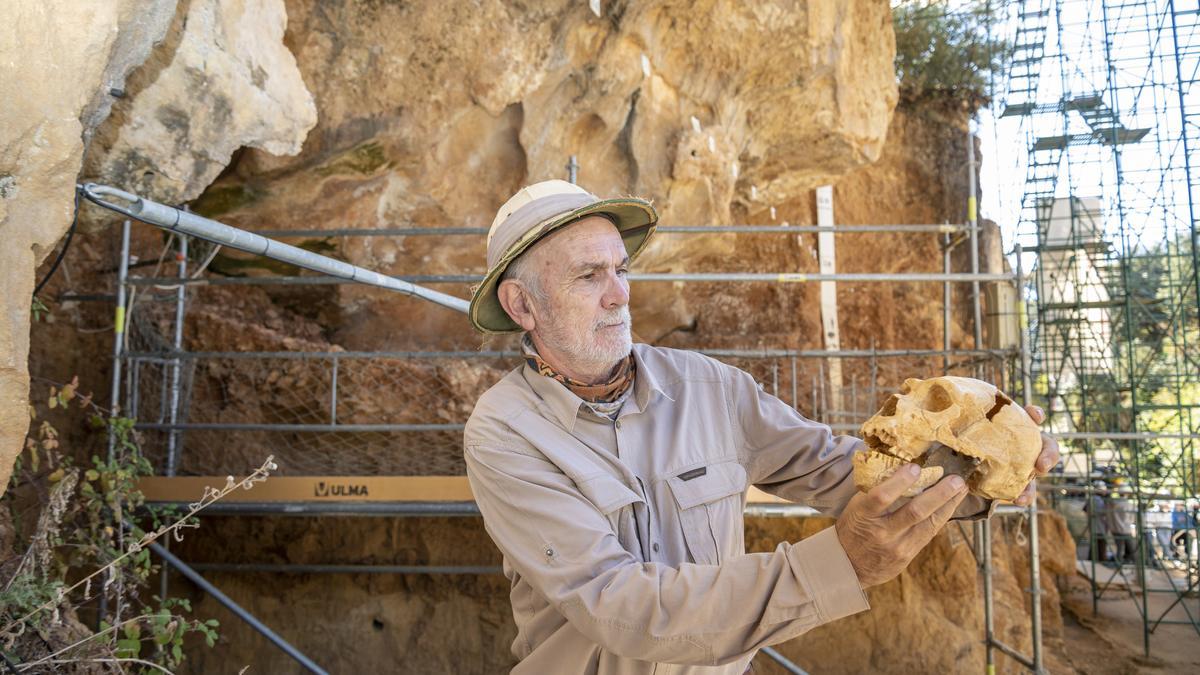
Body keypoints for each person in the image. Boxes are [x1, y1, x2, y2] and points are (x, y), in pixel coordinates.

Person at [463, 180, 1060, 673]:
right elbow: (621, 607)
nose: (620, 294)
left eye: (620, 269)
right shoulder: (504, 433)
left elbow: (837, 468)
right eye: (587, 276)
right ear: (522, 305)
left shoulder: (710, 387)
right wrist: (838, 565)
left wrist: (974, 463)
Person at [1082, 480, 1109, 563]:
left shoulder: (1091, 499)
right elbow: (1105, 513)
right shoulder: (1099, 501)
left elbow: (1085, 509)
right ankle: (1101, 564)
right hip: (1100, 527)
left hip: (1093, 526)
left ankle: (1091, 561)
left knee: (1094, 547)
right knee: (1101, 548)